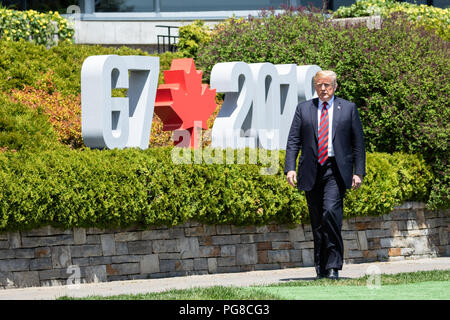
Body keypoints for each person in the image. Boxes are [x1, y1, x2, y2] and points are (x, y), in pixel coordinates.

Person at [284, 70, 366, 280]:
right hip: (311, 170)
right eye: (319, 85)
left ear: (335, 87)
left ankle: (333, 266)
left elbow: (358, 144)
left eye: (327, 85)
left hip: (335, 170)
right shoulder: (304, 108)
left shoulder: (348, 108)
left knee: (331, 213)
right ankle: (321, 267)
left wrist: (358, 172)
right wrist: (290, 167)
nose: (323, 89)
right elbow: (294, 140)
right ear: (315, 87)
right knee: (317, 221)